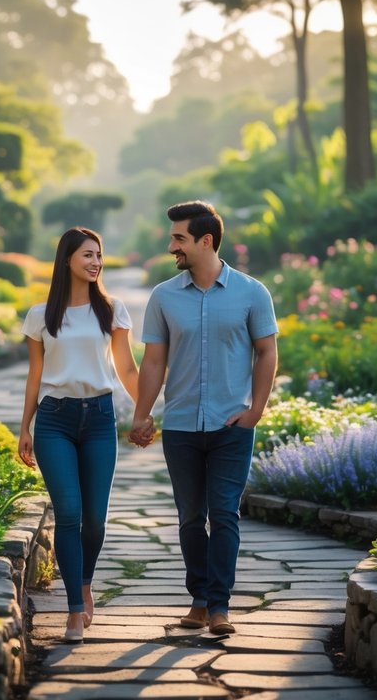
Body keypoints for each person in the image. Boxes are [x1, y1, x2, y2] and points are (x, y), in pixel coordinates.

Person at [128, 200, 278, 636]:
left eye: (179, 237)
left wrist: (255, 411)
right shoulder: (163, 296)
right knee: (191, 516)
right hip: (180, 426)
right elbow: (154, 361)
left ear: (205, 241)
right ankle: (198, 597)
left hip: (233, 425)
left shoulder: (252, 292)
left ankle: (219, 606)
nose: (171, 244)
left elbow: (267, 352)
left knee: (224, 514)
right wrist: (143, 414)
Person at [17, 227, 141, 643]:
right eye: (88, 255)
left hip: (100, 420)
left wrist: (144, 413)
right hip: (54, 420)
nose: (95, 262)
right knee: (68, 513)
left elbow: (126, 369)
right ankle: (73, 610)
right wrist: (25, 427)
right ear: (67, 258)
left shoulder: (111, 309)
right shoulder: (41, 315)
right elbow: (35, 374)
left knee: (95, 519)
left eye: (99, 255)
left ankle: (84, 580)